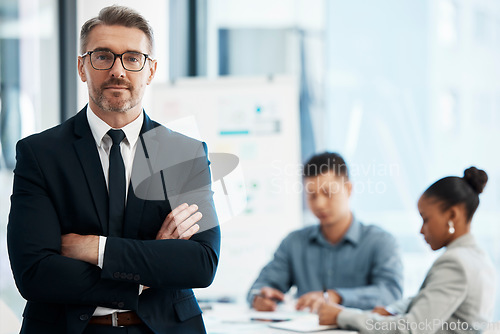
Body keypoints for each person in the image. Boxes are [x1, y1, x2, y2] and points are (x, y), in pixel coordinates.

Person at [7, 5, 220, 334]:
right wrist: (147, 272)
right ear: (82, 67)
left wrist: (95, 248)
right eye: (103, 56)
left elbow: (201, 264)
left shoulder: (185, 153)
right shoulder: (40, 154)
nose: (118, 70)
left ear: (150, 71)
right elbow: (34, 273)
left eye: (133, 58)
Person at [318, 167, 496, 334]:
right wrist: (392, 310)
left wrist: (342, 316)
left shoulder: (455, 263)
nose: (421, 230)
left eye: (425, 219)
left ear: (452, 215)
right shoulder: (476, 256)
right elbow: (426, 299)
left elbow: (412, 328)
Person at [248, 152, 403, 312]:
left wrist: (336, 296)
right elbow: (260, 286)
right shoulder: (294, 242)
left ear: (348, 189)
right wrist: (259, 297)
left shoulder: (381, 242)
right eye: (312, 195)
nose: (320, 204)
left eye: (328, 193)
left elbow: (391, 294)